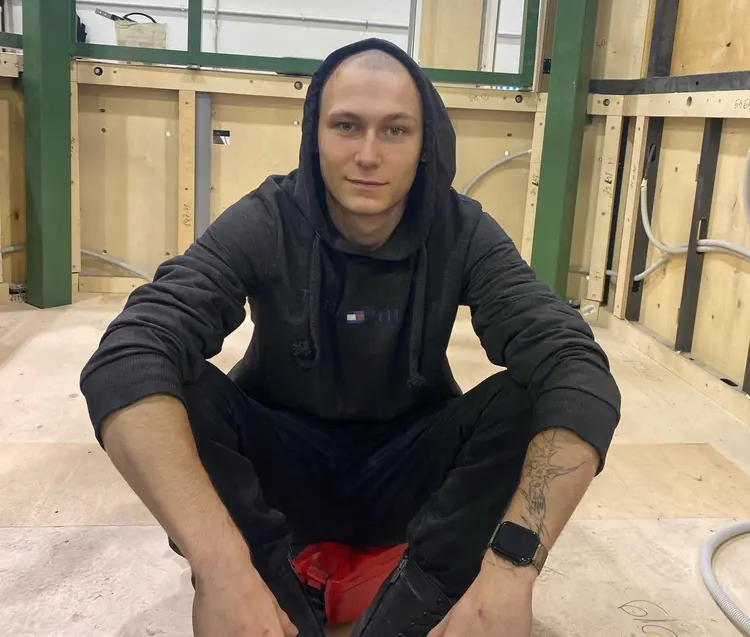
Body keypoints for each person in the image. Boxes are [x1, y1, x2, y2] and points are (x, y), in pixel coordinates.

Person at [80, 38, 621, 637]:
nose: (367, 155)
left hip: (410, 476)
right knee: (175, 387)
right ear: (314, 135)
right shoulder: (267, 218)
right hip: (282, 475)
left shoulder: (463, 230)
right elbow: (128, 356)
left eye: (395, 130)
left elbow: (576, 368)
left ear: (425, 144)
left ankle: (420, 600)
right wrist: (220, 568)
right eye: (346, 126)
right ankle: (266, 595)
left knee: (532, 397)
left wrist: (512, 569)